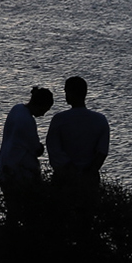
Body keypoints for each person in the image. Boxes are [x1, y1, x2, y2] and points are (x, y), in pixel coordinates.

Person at [44, 76, 111, 246]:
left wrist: (69, 168)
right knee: (86, 219)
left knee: (60, 217)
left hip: (64, 178)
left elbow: (53, 148)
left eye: (66, 91)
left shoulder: (59, 119)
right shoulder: (100, 120)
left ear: (71, 94)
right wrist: (89, 171)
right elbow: (102, 151)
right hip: (90, 178)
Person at [0, 85, 53, 229]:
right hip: (18, 171)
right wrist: (42, 147)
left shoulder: (17, 109)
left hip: (5, 165)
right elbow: (35, 149)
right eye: (45, 110)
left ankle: (10, 238)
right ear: (40, 105)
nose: (44, 114)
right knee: (26, 210)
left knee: (12, 209)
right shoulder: (27, 121)